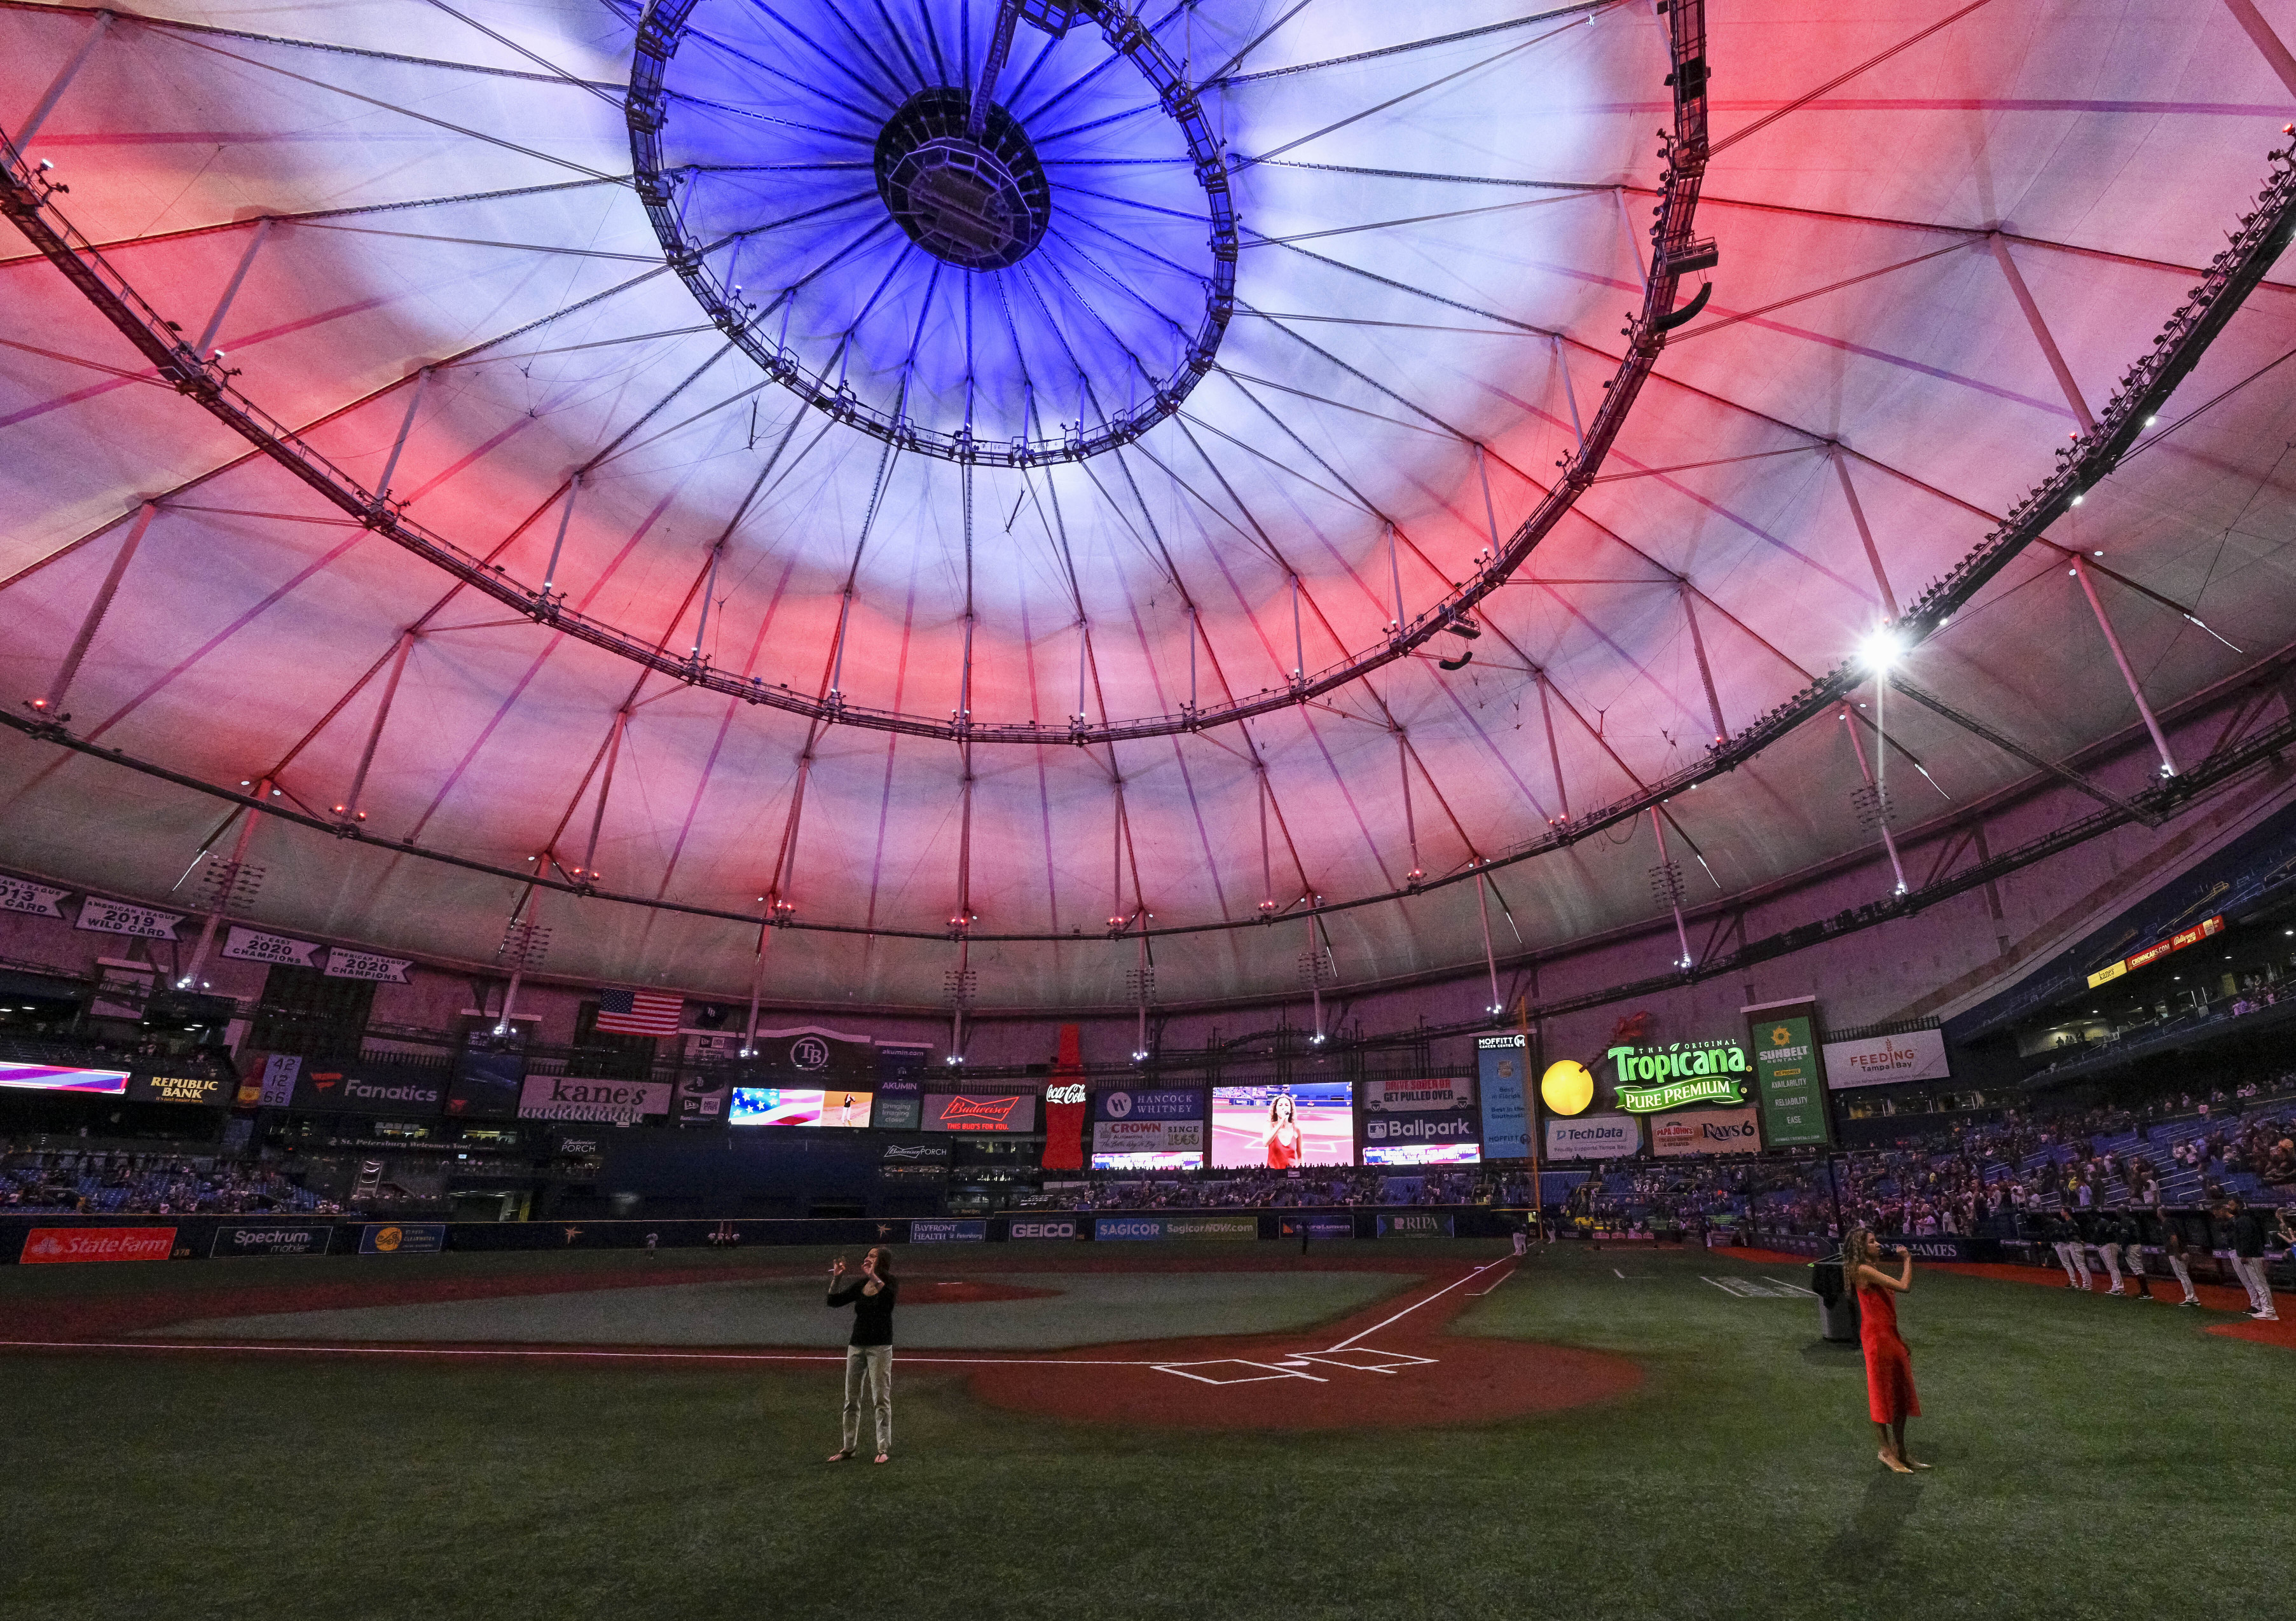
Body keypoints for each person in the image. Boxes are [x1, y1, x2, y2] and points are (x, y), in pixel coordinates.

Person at [1843, 1227, 1927, 1474]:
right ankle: (1885, 1451)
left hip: (1889, 1337)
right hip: (1877, 1341)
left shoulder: (1871, 1269)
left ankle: (1899, 1449)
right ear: (1861, 1248)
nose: (1878, 1244)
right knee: (1881, 1395)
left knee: (1900, 1392)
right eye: (1872, 1242)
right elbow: (1904, 1286)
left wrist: (1898, 1338)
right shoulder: (1863, 1270)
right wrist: (1907, 1259)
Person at [825, 1247, 899, 1463]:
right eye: (868, 1255)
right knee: (851, 1399)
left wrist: (872, 1276)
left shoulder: (890, 1282)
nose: (868, 1258)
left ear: (882, 1261)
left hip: (880, 1347)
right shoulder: (861, 1285)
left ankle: (883, 1449)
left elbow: (888, 1302)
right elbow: (834, 1301)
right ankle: (849, 1448)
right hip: (856, 1347)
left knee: (881, 1399)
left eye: (873, 1256)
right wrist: (836, 1279)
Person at [2227, 1197, 2279, 1322]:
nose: (2230, 1207)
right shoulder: (2244, 1218)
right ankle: (2266, 1310)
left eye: (2231, 1205)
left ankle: (2270, 1311)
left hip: (2251, 1255)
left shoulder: (2244, 1219)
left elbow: (2247, 1238)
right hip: (2252, 1255)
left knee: (2260, 1283)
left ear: (2239, 1205)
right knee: (2259, 1283)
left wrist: (2244, 1254)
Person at [2162, 1215, 2200, 1306]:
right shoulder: (2176, 1222)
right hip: (2184, 1251)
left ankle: (2191, 1299)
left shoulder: (2167, 1223)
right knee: (2184, 1275)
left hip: (2177, 1253)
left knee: (2183, 1276)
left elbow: (2174, 1238)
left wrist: (2177, 1253)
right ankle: (2192, 1298)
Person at [1261, 1092, 1303, 1169]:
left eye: (1287, 1105)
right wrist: (1282, 1121)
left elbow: (1300, 1156)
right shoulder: (1269, 1125)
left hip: (1291, 1173)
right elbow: (1266, 1143)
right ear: (1275, 1110)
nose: (1284, 1107)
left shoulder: (1296, 1129)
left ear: (1290, 1110)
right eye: (1280, 1105)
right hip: (1273, 1175)